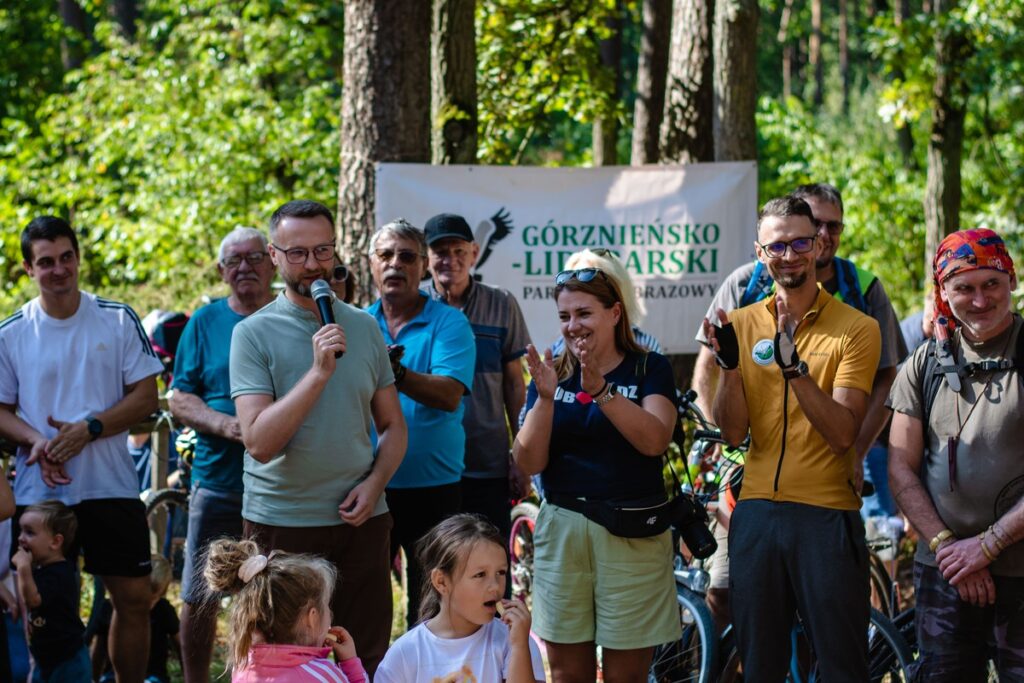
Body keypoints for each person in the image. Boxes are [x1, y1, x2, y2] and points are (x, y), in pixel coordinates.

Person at [691, 183, 904, 623]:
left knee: (820, 627)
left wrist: (857, 447)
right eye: (782, 243)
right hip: (748, 480)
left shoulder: (862, 290)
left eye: (830, 226)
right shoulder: (744, 285)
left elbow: (888, 378)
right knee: (726, 593)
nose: (820, 237)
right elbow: (708, 366)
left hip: (827, 489)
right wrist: (723, 439)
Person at [230, 200, 406, 675]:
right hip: (282, 524)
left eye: (323, 250)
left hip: (361, 522)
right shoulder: (251, 334)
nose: (313, 264)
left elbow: (393, 428)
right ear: (273, 255)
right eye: (298, 253)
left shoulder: (365, 327)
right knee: (280, 660)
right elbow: (260, 443)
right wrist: (317, 374)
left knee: (364, 652)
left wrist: (374, 486)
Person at [0, 216, 163, 682]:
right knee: (41, 605)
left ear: (78, 257)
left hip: (109, 483)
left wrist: (89, 428)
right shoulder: (12, 332)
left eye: (66, 257)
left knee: (132, 600)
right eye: (45, 262)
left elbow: (146, 395)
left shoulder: (115, 317)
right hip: (40, 491)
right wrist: (39, 441)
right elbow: (0, 408)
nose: (58, 270)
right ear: (28, 269)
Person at [513, 267, 680, 682]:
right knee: (568, 675)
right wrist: (546, 399)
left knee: (625, 676)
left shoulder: (649, 368)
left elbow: (655, 440)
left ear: (615, 313)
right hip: (563, 532)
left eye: (584, 313)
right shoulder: (552, 372)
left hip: (630, 533)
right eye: (565, 316)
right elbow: (528, 461)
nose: (574, 326)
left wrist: (603, 392)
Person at [887, 228, 1024, 680]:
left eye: (991, 285)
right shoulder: (923, 363)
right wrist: (949, 549)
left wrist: (988, 546)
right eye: (964, 287)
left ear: (1012, 281)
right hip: (945, 574)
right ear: (943, 291)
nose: (980, 300)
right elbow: (901, 468)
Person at [169, 226, 275, 683]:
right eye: (234, 260)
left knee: (274, 592)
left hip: (281, 483)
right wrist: (229, 425)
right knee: (198, 595)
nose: (244, 267)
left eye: (254, 257)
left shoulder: (293, 316)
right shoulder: (204, 322)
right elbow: (179, 397)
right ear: (220, 270)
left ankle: (266, 675)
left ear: (272, 262)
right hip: (217, 480)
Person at [367, 218, 476, 629]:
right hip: (369, 483)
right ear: (372, 264)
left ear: (423, 267)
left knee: (431, 600)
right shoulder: (356, 322)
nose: (395, 264)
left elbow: (449, 394)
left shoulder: (450, 323)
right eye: (386, 255)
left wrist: (395, 372)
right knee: (365, 593)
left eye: (407, 256)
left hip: (434, 486)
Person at [425, 213, 532, 543]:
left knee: (491, 563)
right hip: (430, 465)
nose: (450, 261)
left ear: (474, 252)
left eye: (459, 251)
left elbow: (515, 384)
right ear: (426, 257)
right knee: (435, 567)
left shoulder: (501, 303)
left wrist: (520, 455)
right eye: (441, 251)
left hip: (488, 461)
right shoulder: (415, 306)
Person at [375, 514, 545, 683]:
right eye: (480, 575)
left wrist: (519, 647)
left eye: (501, 572)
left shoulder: (516, 642)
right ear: (441, 582)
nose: (495, 586)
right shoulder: (405, 655)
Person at [203, 538, 368, 683]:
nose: (330, 614)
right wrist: (350, 663)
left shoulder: (242, 667)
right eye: (326, 606)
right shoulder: (324, 675)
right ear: (312, 618)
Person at [11, 501, 89, 682]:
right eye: (21, 530)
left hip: (68, 660)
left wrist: (23, 569)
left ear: (55, 541)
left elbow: (33, 600)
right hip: (46, 658)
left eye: (29, 532)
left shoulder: (59, 573)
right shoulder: (41, 569)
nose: (21, 538)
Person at [549, 248, 662, 355]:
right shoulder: (558, 351)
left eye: (591, 283)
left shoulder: (648, 350)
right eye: (572, 282)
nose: (572, 327)